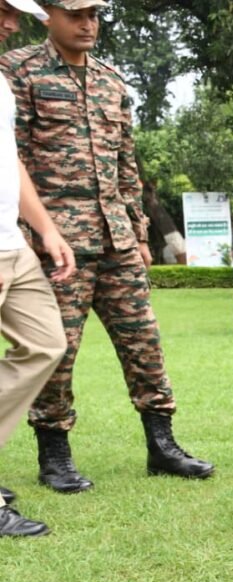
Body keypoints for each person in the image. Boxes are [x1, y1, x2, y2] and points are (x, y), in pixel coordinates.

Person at [1, 0, 214, 493]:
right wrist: (36, 232)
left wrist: (140, 234)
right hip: (56, 241)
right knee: (58, 351)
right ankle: (54, 454)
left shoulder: (112, 81)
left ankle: (162, 445)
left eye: (94, 15)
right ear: (47, 16)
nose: (87, 24)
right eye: (76, 14)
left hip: (116, 238)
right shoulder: (17, 72)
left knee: (145, 344)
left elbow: (126, 165)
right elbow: (9, 159)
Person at [1, 0, 77, 535]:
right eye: (2, 9)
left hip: (10, 242)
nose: (10, 22)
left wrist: (46, 229)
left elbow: (11, 161)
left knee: (47, 343)